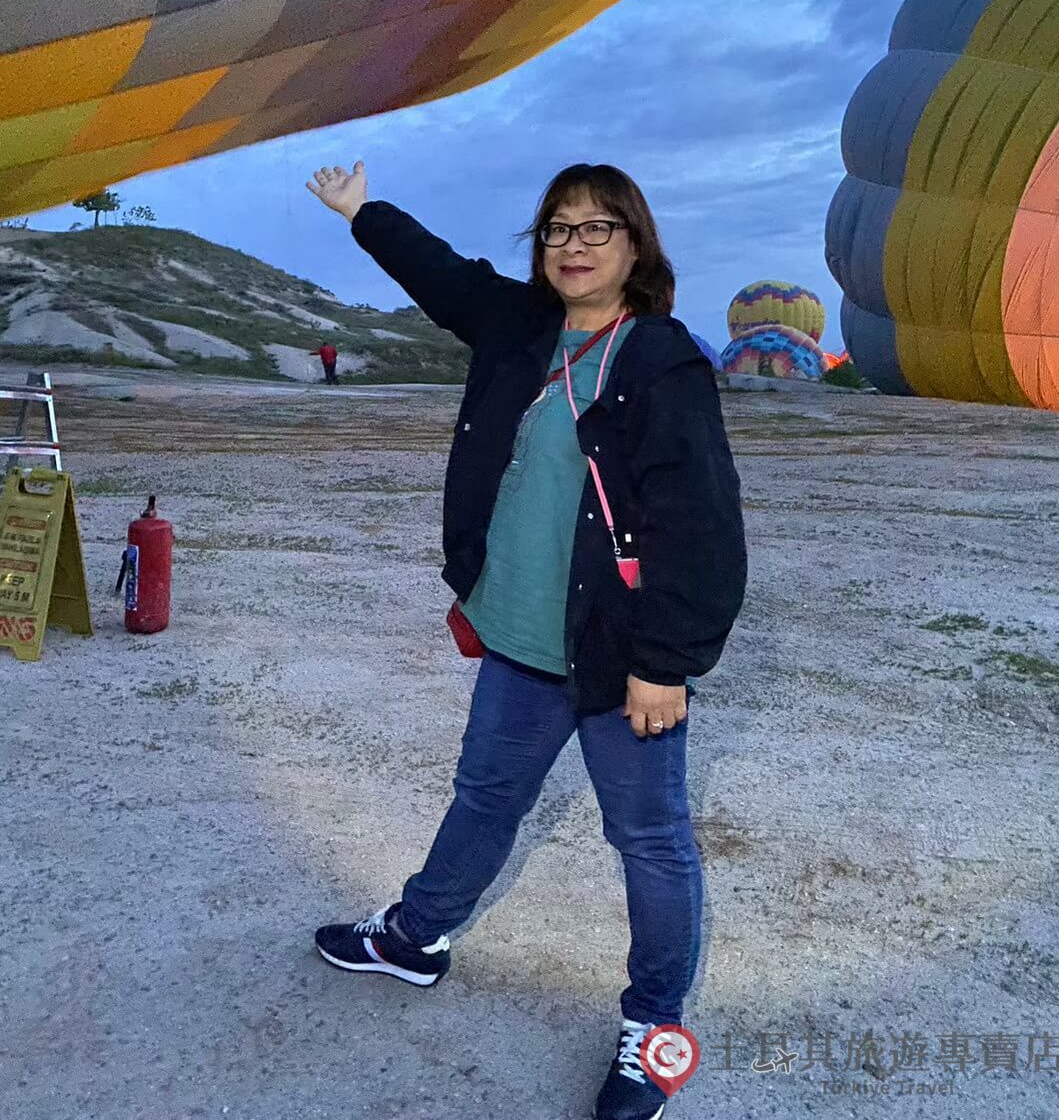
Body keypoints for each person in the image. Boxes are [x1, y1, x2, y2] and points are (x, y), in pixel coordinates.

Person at [305, 159, 746, 1120]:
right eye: (556, 227)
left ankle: (653, 1027)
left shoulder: (660, 360)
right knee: (486, 795)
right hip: (518, 635)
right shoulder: (519, 326)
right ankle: (417, 935)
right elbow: (442, 274)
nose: (573, 245)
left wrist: (662, 665)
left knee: (649, 839)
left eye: (595, 228)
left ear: (634, 244)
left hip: (616, 652)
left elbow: (702, 529)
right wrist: (361, 211)